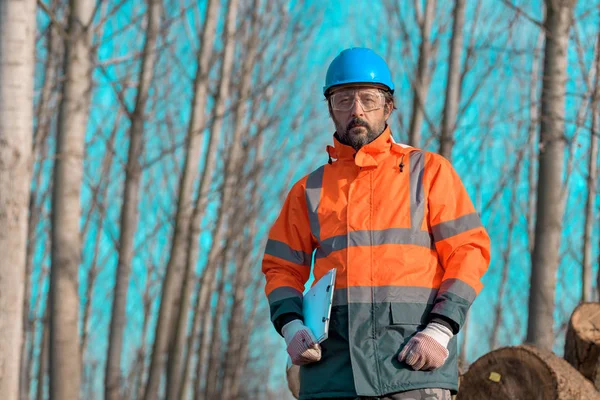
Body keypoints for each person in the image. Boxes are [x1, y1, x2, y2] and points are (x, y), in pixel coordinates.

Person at [261, 47, 491, 400]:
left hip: (413, 370)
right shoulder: (308, 190)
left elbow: (469, 252)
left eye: (368, 99)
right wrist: (291, 326)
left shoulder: (428, 172)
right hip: (333, 376)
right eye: (343, 100)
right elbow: (280, 268)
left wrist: (441, 330)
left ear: (388, 106)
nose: (356, 110)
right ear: (329, 109)